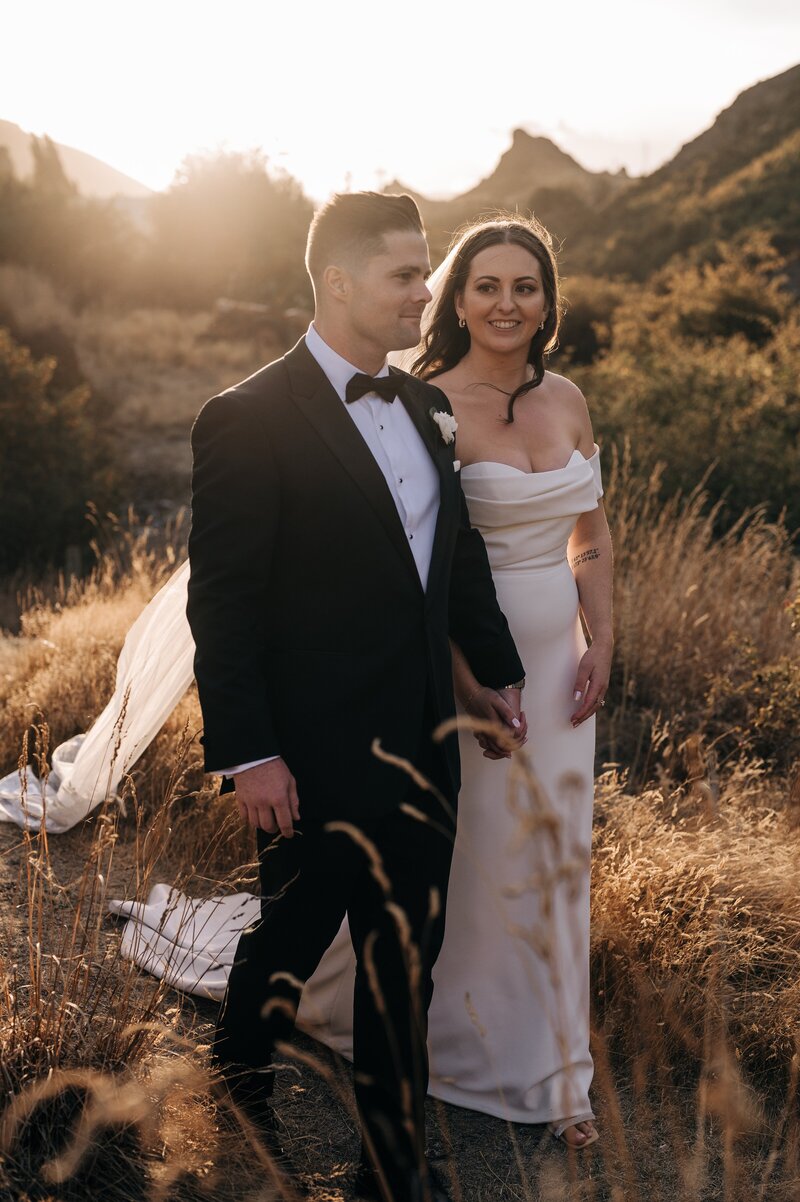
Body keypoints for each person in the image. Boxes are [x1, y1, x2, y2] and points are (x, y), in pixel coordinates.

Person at [185, 191, 525, 1202]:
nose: (428, 292)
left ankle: (392, 1162)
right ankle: (238, 1091)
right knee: (288, 935)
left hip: (423, 740)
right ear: (338, 283)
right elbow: (226, 602)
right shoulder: (244, 417)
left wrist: (495, 669)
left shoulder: (424, 405)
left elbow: (453, 562)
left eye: (424, 272)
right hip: (309, 750)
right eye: (405, 275)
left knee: (401, 961)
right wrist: (248, 753)